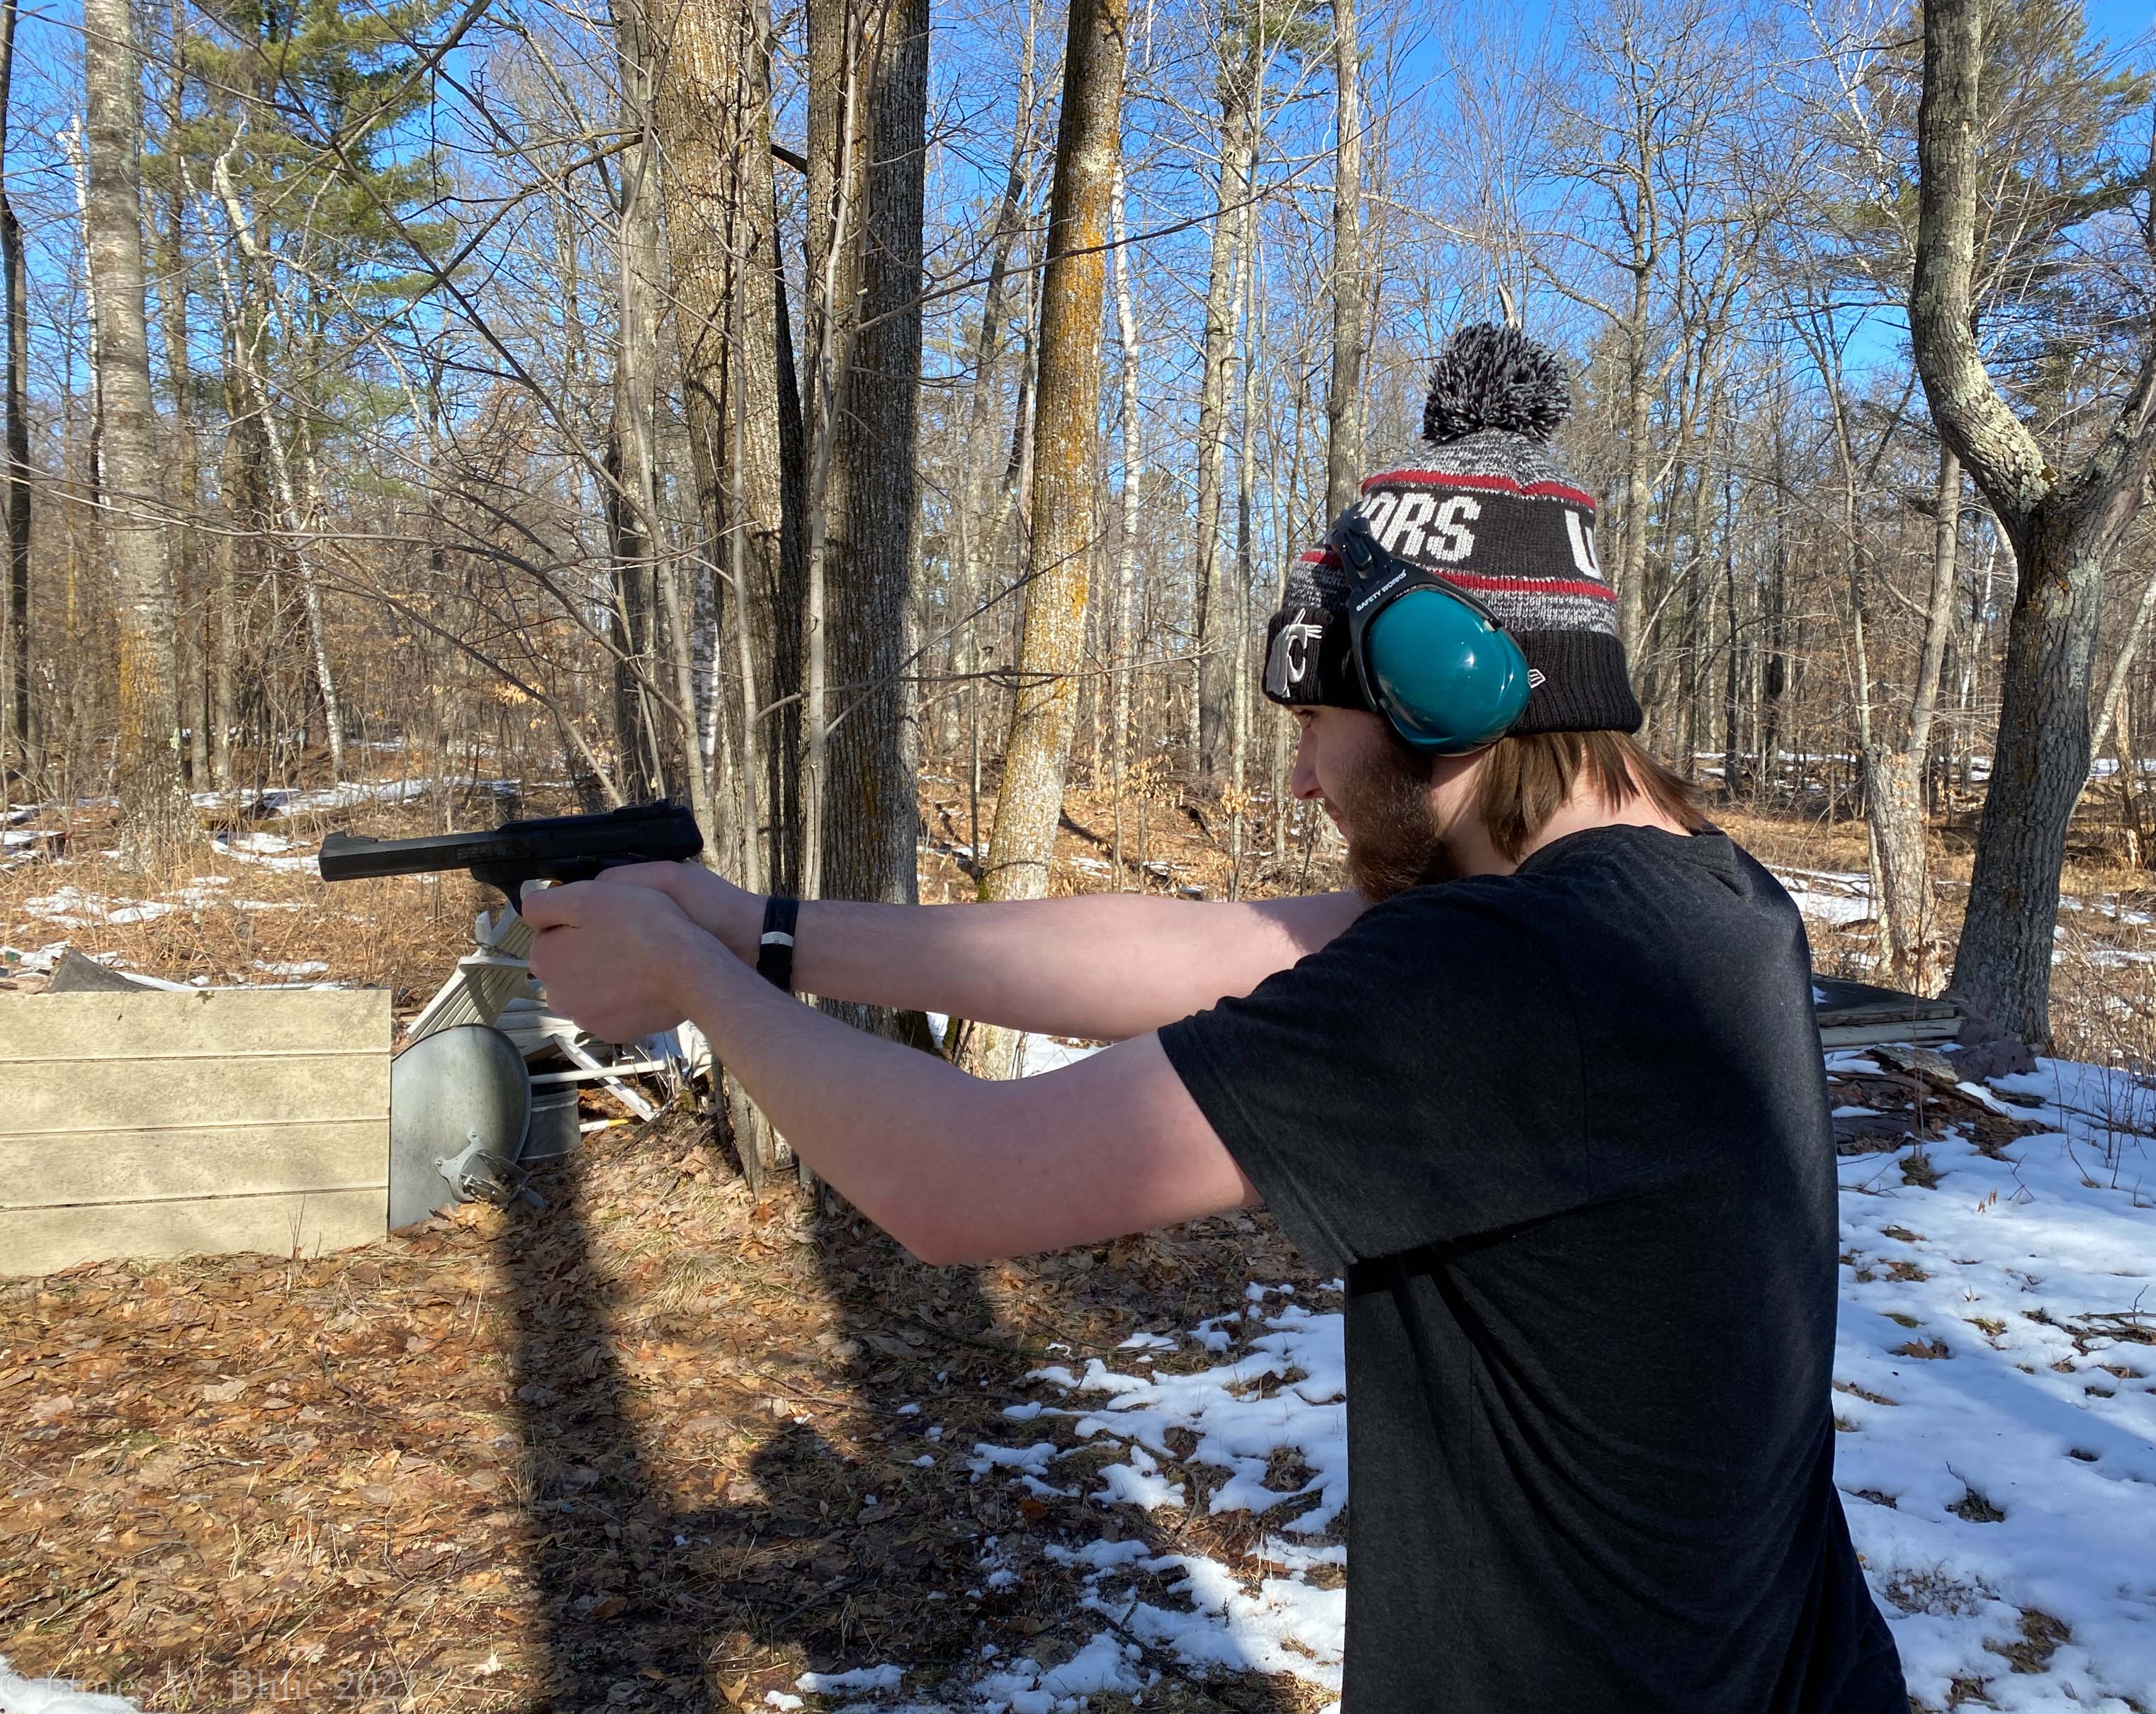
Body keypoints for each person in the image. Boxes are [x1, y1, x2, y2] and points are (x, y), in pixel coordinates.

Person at [525, 322, 1909, 1712]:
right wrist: (755, 931)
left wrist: (689, 983)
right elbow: (1206, 949)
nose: (1302, 781)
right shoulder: (1684, 896)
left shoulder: (1521, 970)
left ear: (1445, 689)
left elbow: (957, 1181)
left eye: (1313, 725)